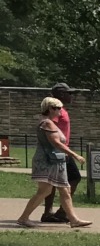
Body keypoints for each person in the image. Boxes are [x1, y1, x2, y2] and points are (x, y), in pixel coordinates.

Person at [15, 97, 90, 228]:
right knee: (44, 191)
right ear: (50, 109)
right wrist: (75, 155)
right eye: (57, 108)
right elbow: (56, 142)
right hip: (47, 161)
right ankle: (23, 218)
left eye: (60, 107)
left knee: (65, 190)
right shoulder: (47, 123)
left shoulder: (48, 122)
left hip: (56, 161)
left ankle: (73, 220)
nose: (60, 110)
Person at [40, 82, 82, 223]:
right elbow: (49, 124)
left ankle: (51, 212)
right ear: (61, 94)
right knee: (74, 178)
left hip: (61, 150)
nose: (71, 96)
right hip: (59, 151)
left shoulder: (60, 110)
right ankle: (60, 212)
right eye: (69, 93)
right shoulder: (57, 111)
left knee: (51, 183)